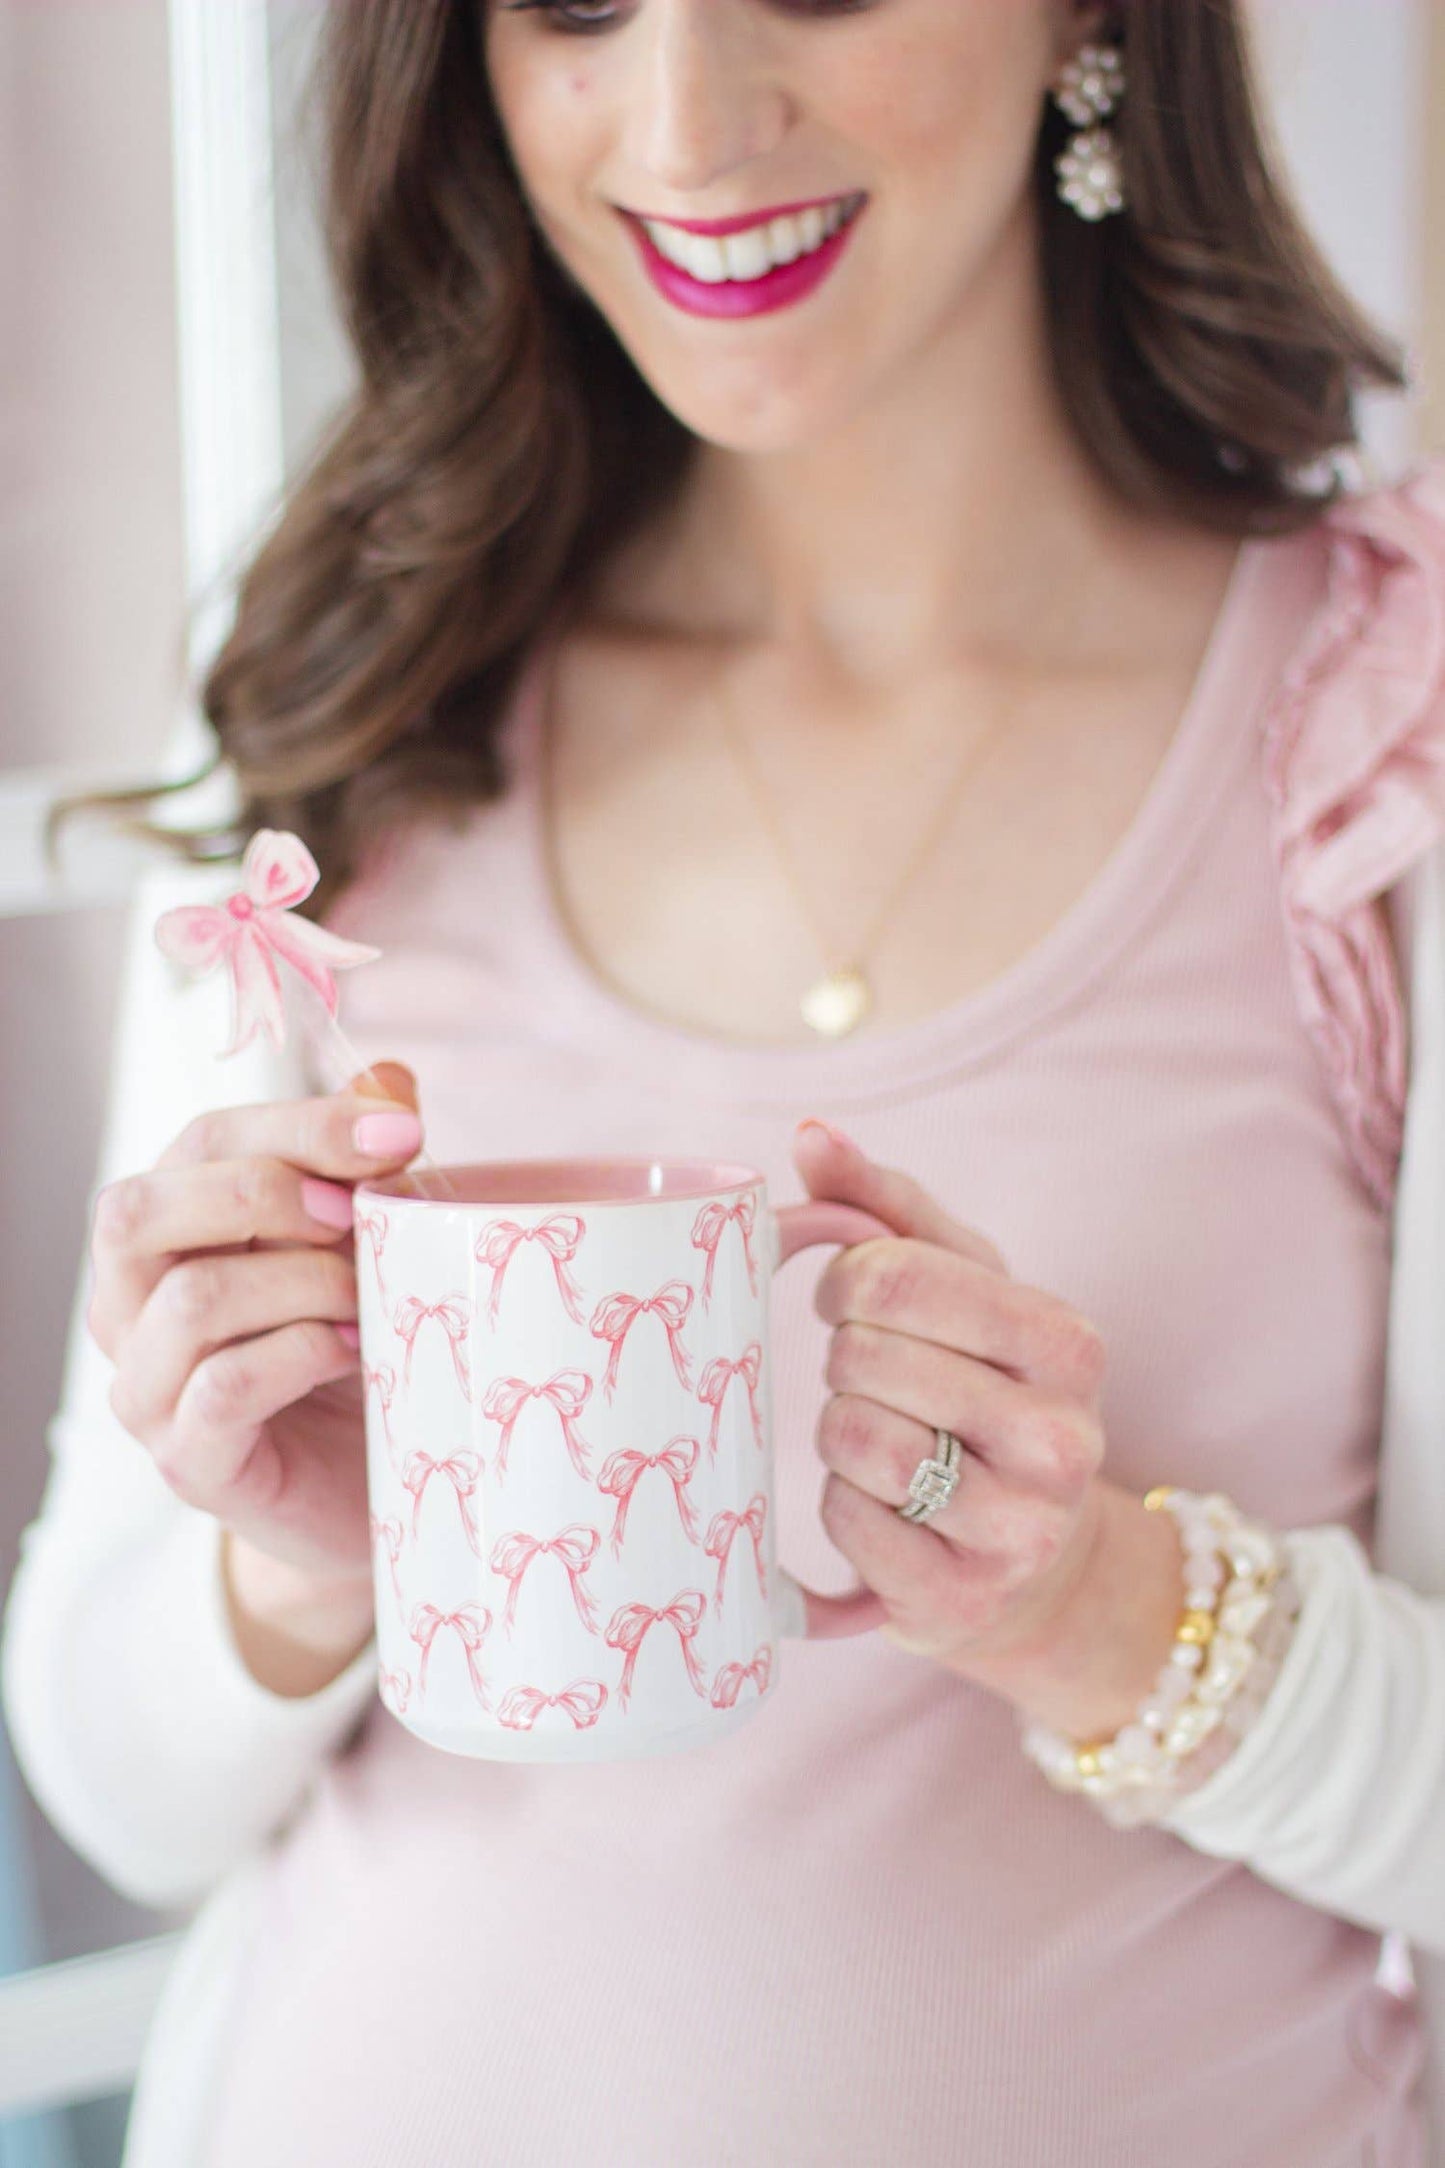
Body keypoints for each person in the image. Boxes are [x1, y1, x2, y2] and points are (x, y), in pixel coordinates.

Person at [5, 0, 1445, 2160]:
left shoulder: (1383, 741)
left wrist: (1091, 1611)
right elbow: (111, 1782)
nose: (684, 123)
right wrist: (297, 1570)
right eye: (578, 2)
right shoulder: (364, 705)